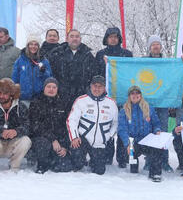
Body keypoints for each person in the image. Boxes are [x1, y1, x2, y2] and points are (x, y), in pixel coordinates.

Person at [95, 27, 134, 167]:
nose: (113, 39)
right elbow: (96, 75)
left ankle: (123, 157)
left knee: (123, 126)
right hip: (107, 96)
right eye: (110, 36)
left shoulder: (127, 54)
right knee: (107, 125)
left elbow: (132, 73)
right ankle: (107, 156)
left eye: (115, 37)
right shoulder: (100, 54)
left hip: (124, 95)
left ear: (119, 39)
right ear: (106, 38)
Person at [67, 75, 119, 175]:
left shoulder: (111, 103)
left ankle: (92, 159)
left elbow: (116, 123)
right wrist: (74, 137)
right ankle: (80, 157)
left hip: (100, 142)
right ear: (91, 86)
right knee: (77, 164)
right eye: (95, 86)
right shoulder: (81, 100)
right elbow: (71, 120)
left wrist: (109, 136)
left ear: (104, 88)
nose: (97, 89)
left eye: (100, 86)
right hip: (83, 139)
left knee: (99, 171)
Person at [117, 86, 166, 182]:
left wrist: (157, 130)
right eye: (132, 93)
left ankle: (155, 173)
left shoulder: (149, 108)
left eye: (137, 93)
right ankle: (133, 167)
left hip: (147, 141)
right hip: (133, 142)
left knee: (157, 149)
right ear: (129, 96)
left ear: (141, 95)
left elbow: (156, 123)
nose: (135, 95)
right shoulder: (124, 111)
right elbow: (122, 129)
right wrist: (127, 144)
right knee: (132, 160)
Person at [0, 79, 32, 172]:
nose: (1, 96)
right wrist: (0, 131)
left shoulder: (20, 106)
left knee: (26, 140)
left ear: (11, 94)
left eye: (5, 93)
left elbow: (28, 125)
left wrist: (16, 131)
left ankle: (14, 166)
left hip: (13, 142)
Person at [28, 78, 73, 174]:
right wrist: (52, 139)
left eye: (54, 87)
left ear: (57, 89)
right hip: (41, 138)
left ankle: (53, 160)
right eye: (48, 86)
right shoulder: (36, 102)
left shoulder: (63, 103)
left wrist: (65, 145)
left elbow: (67, 126)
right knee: (43, 144)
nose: (51, 89)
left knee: (65, 166)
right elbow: (35, 125)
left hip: (59, 140)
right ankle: (42, 163)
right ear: (44, 88)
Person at [145, 35, 173, 172]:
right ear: (149, 48)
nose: (155, 46)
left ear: (160, 47)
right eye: (153, 45)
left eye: (157, 44)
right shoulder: (142, 62)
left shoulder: (167, 63)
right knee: (149, 132)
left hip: (163, 103)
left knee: (163, 132)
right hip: (147, 104)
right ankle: (149, 161)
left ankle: (164, 161)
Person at [48, 29, 95, 106]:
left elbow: (93, 74)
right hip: (61, 96)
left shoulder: (88, 55)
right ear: (67, 39)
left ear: (80, 39)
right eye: (72, 36)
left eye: (77, 36)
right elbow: (51, 73)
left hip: (81, 96)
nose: (74, 39)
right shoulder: (57, 53)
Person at [12, 35, 53, 104]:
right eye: (31, 44)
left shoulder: (44, 61)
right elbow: (15, 79)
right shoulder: (20, 60)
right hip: (24, 98)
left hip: (40, 98)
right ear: (27, 45)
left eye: (36, 44)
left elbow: (50, 79)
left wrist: (43, 71)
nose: (33, 47)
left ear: (38, 47)